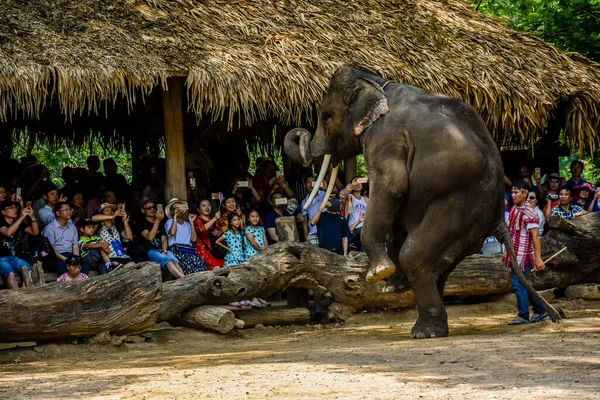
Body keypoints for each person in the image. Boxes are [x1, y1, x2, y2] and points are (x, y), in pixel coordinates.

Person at [505, 180, 547, 325]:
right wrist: (507, 252)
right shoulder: (514, 209)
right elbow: (510, 233)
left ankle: (523, 315)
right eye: (512, 192)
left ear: (525, 193)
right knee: (523, 283)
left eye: (516, 192)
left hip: (524, 255)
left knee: (518, 283)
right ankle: (540, 310)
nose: (513, 195)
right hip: (515, 253)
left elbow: (535, 237)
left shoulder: (530, 213)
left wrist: (538, 258)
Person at [138, 199, 185, 278]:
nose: (152, 209)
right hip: (150, 251)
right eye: (149, 208)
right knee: (168, 260)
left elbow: (164, 239)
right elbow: (150, 237)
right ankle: (183, 279)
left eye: (153, 207)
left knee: (174, 260)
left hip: (162, 250)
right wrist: (157, 220)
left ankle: (184, 278)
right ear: (143, 210)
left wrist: (164, 250)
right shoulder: (141, 223)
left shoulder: (161, 222)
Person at [0, 201, 39, 289]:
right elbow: (8, 232)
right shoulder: (1, 223)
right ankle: (17, 298)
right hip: (1, 258)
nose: (15, 209)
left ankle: (25, 295)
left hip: (15, 257)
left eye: (16, 208)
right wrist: (21, 217)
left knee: (29, 270)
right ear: (3, 212)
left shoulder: (19, 223)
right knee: (11, 274)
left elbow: (35, 232)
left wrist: (32, 217)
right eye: (11, 208)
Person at [164, 198, 206, 274]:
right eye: (175, 208)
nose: (178, 210)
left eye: (179, 207)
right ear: (171, 211)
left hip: (188, 250)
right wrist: (175, 217)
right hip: (177, 250)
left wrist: (191, 222)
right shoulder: (170, 221)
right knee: (188, 262)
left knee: (200, 261)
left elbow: (193, 239)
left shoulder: (187, 224)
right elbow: (172, 232)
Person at [42, 201, 80, 275]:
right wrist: (65, 259)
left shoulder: (72, 227)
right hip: (57, 256)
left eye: (70, 209)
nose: (69, 212)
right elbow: (51, 249)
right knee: (64, 268)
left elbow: (75, 245)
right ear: (58, 213)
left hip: (70, 255)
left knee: (84, 266)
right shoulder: (50, 228)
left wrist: (76, 258)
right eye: (66, 210)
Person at [96, 202, 135, 270]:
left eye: (111, 210)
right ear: (102, 214)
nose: (110, 212)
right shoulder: (98, 226)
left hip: (123, 256)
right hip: (111, 258)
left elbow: (130, 237)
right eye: (107, 210)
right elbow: (93, 218)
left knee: (133, 266)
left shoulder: (116, 226)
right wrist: (113, 216)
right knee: (119, 269)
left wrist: (125, 220)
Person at [193, 199, 225, 270]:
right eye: (204, 206)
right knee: (216, 268)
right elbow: (201, 229)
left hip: (216, 249)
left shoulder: (213, 219)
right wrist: (214, 218)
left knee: (223, 267)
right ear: (198, 209)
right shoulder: (197, 219)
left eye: (209, 205)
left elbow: (220, 231)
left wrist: (219, 232)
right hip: (204, 249)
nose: (207, 207)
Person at [341, 177, 369, 251]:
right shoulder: (349, 198)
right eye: (356, 181)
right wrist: (351, 185)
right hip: (352, 230)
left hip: (365, 230)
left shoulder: (366, 199)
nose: (357, 184)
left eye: (360, 182)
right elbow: (342, 195)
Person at [301, 176, 327, 245]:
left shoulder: (325, 194)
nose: (311, 184)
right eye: (308, 182)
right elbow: (305, 221)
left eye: (313, 182)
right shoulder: (304, 202)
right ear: (305, 186)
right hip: (313, 233)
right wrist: (306, 238)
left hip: (327, 231)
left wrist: (326, 189)